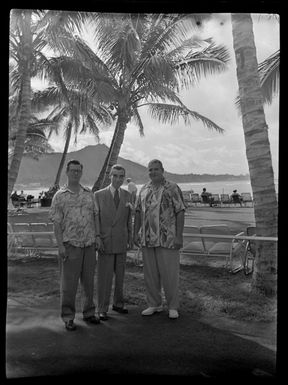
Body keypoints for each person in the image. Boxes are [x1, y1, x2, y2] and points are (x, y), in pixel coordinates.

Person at [49, 159, 101, 331]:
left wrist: (98, 236)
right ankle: (68, 317)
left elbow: (95, 216)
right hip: (70, 245)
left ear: (81, 172)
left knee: (88, 282)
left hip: (89, 244)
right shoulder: (59, 196)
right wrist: (60, 246)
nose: (76, 173)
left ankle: (89, 313)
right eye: (73, 170)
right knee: (69, 284)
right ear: (67, 172)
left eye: (78, 171)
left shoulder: (88, 193)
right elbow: (56, 223)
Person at [133, 159, 185, 320]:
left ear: (162, 170)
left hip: (167, 239)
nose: (153, 172)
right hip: (147, 239)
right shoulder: (143, 189)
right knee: (150, 274)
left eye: (156, 169)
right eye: (150, 170)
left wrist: (178, 236)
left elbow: (180, 211)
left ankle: (172, 306)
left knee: (170, 275)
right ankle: (154, 304)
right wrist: (136, 233)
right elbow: (138, 212)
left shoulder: (172, 188)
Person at [94, 164, 133, 321]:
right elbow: (95, 218)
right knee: (104, 277)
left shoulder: (127, 195)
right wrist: (97, 237)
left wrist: (130, 237)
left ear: (124, 178)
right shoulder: (98, 195)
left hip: (122, 240)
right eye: (115, 175)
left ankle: (118, 303)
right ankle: (102, 308)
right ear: (110, 176)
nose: (118, 179)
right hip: (105, 241)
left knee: (121, 276)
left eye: (121, 176)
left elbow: (128, 219)